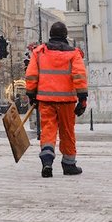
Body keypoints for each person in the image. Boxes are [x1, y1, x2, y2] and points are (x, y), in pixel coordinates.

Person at [25, 21, 89, 178]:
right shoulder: (74, 54)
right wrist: (82, 99)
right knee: (67, 132)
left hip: (45, 100)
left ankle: (47, 161)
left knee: (48, 129)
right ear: (65, 35)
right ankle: (69, 164)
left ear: (50, 35)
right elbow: (79, 76)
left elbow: (31, 75)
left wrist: (31, 95)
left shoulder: (39, 52)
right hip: (66, 101)